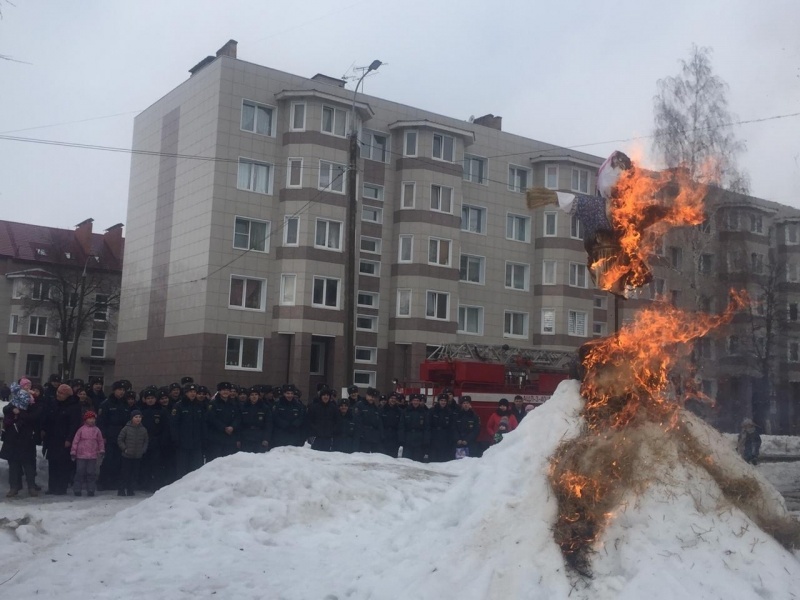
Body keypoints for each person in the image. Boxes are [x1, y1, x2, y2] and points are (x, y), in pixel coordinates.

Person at [1, 383, 43, 497]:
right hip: (13, 438)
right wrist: (13, 408)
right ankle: (13, 487)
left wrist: (21, 412)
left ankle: (31, 486)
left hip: (27, 438)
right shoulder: (16, 401)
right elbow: (5, 409)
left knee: (28, 464)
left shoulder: (36, 405)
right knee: (13, 464)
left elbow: (34, 417)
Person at [42, 383, 82, 495]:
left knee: (63, 464)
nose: (58, 395)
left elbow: (74, 425)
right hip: (52, 438)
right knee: (53, 463)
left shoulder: (74, 406)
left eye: (61, 393)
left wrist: (69, 439)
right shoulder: (54, 403)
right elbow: (48, 418)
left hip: (64, 439)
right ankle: (52, 487)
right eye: (58, 392)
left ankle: (61, 487)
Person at [97, 380, 130, 490]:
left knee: (119, 460)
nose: (121, 392)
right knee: (108, 460)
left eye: (123, 390)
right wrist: (103, 436)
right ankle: (103, 482)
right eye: (119, 390)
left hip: (123, 436)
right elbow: (101, 421)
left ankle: (115, 481)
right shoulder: (106, 404)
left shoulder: (125, 404)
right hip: (110, 435)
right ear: (114, 390)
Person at [170, 383, 207, 478]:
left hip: (197, 442)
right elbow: (174, 425)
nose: (193, 394)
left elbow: (203, 423)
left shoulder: (199, 406)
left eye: (194, 391)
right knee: (182, 468)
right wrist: (176, 440)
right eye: (190, 392)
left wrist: (203, 439)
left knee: (196, 468)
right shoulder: (179, 406)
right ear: (185, 393)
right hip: (183, 443)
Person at [139, 387, 170, 491]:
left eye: (152, 398)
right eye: (148, 398)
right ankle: (144, 483)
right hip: (143, 442)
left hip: (157, 441)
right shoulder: (141, 411)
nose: (150, 400)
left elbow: (166, 427)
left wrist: (162, 440)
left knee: (156, 464)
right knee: (144, 464)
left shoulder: (162, 411)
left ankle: (156, 484)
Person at [70, 411, 105, 497]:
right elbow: (75, 441)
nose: (92, 420)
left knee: (91, 473)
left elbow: (100, 441)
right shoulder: (81, 430)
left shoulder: (97, 430)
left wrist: (101, 450)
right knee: (79, 472)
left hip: (92, 455)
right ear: (86, 420)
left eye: (93, 419)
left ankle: (91, 489)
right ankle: (77, 489)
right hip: (81, 455)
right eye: (90, 418)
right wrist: (73, 451)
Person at [206, 382, 241, 460]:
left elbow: (238, 417)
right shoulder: (213, 404)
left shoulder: (233, 404)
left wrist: (232, 427)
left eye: (227, 390)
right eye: (223, 390)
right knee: (215, 462)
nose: (226, 392)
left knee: (228, 463)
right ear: (219, 391)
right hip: (216, 438)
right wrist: (224, 428)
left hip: (230, 438)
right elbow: (211, 418)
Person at [117, 410, 149, 496]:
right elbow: (120, 439)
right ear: (132, 418)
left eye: (139, 417)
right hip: (126, 456)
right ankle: (121, 489)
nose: (138, 419)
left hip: (137, 456)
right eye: (136, 417)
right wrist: (124, 449)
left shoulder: (143, 429)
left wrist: (143, 450)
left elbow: (146, 441)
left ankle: (130, 489)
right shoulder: (126, 428)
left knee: (134, 474)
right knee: (125, 473)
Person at [239, 386, 272, 453]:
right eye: (252, 395)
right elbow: (239, 424)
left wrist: (266, 439)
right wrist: (239, 439)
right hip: (246, 437)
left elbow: (268, 424)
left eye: (256, 394)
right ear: (249, 396)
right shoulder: (243, 408)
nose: (254, 397)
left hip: (260, 437)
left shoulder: (265, 408)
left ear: (259, 396)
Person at [399, 393, 430, 462]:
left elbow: (426, 428)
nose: (416, 402)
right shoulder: (405, 412)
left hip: (419, 441)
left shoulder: (424, 412)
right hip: (408, 440)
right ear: (411, 401)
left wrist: (426, 440)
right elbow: (401, 426)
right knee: (406, 461)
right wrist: (401, 439)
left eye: (417, 400)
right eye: (414, 400)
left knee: (418, 461)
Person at [355, 387, 383, 453]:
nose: (372, 398)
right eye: (371, 396)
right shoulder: (360, 405)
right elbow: (357, 422)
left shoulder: (375, 408)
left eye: (374, 397)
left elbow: (379, 423)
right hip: (363, 437)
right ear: (366, 395)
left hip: (374, 438)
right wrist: (361, 434)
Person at [429, 393, 455, 462]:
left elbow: (451, 427)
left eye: (445, 401)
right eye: (442, 400)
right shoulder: (432, 411)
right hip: (434, 437)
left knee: (443, 459)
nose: (443, 402)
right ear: (438, 401)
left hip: (444, 438)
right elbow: (428, 425)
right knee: (433, 459)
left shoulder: (449, 412)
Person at [379, 392, 403, 458]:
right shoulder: (382, 410)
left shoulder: (400, 411)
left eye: (395, 398)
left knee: (393, 458)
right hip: (384, 437)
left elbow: (401, 425)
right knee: (383, 457)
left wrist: (400, 437)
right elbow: (380, 424)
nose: (393, 400)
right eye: (391, 398)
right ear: (388, 399)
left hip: (394, 438)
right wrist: (382, 435)